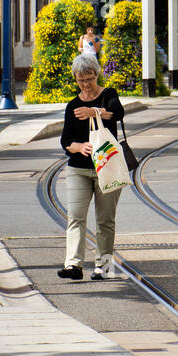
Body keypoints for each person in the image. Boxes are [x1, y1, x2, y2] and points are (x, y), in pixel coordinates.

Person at [58, 53, 125, 281]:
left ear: (96, 74)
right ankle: (73, 265)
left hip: (107, 168)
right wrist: (78, 147)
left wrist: (94, 112)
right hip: (78, 169)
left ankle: (103, 266)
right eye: (80, 80)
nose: (85, 84)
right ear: (75, 79)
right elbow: (65, 141)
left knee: (105, 220)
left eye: (89, 78)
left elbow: (118, 114)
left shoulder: (108, 95)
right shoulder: (73, 105)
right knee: (75, 217)